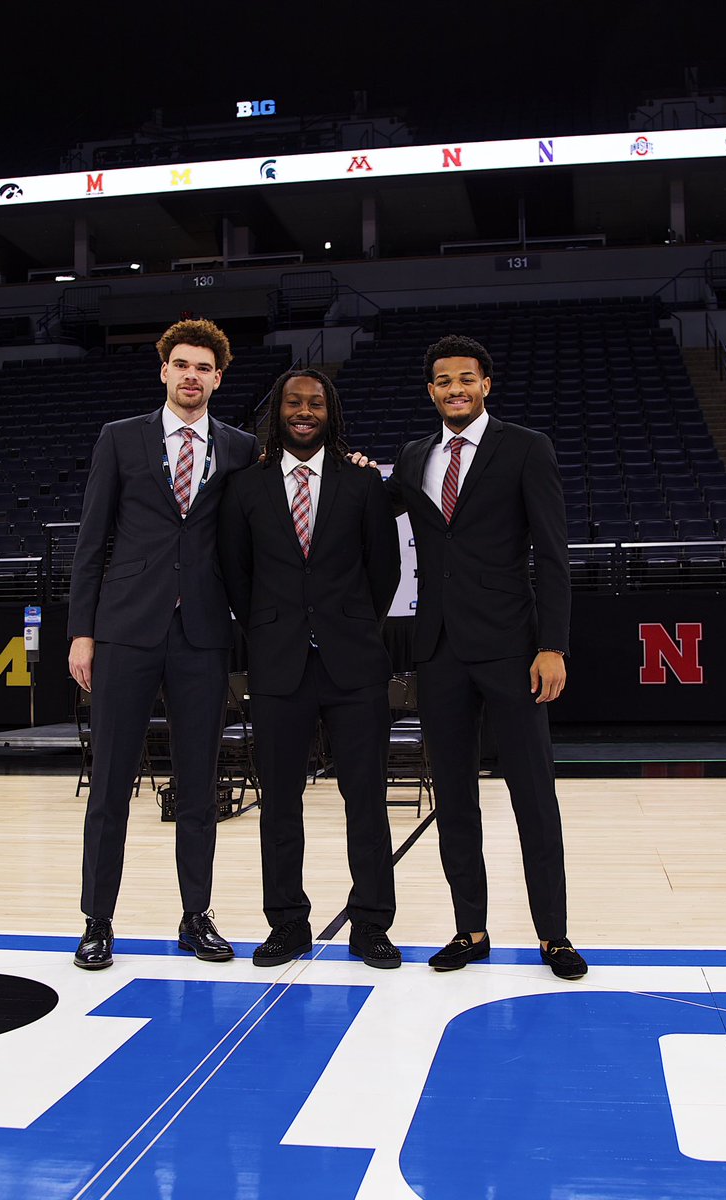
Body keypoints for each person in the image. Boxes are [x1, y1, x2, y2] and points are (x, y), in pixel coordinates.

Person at [383, 334, 587, 979]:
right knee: (454, 799)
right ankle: (470, 929)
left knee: (534, 794)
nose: (455, 389)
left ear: (486, 385)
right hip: (438, 650)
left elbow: (553, 556)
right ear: (431, 391)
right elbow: (381, 516)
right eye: (443, 381)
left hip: (511, 648)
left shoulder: (526, 447)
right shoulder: (414, 457)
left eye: (466, 378)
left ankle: (553, 934)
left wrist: (552, 645)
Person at [67, 318, 259, 970]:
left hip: (202, 633)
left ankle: (195, 916)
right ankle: (97, 921)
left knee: (200, 788)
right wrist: (81, 631)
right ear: (163, 371)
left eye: (203, 367)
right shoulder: (119, 439)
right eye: (181, 364)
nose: (191, 376)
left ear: (217, 378)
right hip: (124, 630)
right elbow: (91, 542)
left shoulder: (238, 447)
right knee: (110, 785)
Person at [217, 368, 402, 969]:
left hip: (355, 663)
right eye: (293, 402)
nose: (304, 411)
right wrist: (275, 628)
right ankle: (287, 923)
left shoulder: (365, 484)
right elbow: (237, 578)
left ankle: (371, 923)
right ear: (278, 413)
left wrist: (345, 623)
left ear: (331, 410)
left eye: (315, 402)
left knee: (367, 799)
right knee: (280, 803)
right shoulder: (245, 487)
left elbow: (386, 574)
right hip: (278, 665)